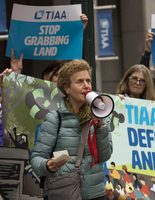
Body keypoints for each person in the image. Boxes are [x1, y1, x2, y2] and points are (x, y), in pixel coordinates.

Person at [30, 59, 113, 200]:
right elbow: (36, 159)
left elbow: (105, 156)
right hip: (65, 192)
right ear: (67, 88)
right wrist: (48, 165)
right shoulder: (55, 118)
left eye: (88, 81)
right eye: (80, 81)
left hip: (95, 194)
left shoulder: (99, 114)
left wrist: (101, 128)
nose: (86, 86)